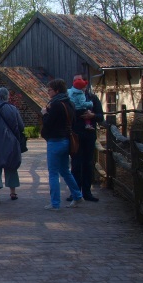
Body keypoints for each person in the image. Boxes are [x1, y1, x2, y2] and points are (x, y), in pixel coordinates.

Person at [41, 78, 84, 210]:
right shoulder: (70, 103)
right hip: (66, 140)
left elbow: (49, 123)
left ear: (57, 90)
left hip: (55, 141)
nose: (48, 92)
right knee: (65, 171)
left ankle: (55, 203)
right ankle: (77, 195)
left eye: (50, 90)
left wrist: (44, 114)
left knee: (53, 172)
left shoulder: (56, 105)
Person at [68, 73, 104, 203]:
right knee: (76, 164)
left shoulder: (92, 98)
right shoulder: (70, 97)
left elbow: (101, 117)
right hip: (75, 136)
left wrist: (92, 115)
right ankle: (75, 192)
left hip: (89, 135)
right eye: (74, 80)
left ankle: (87, 192)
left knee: (88, 163)